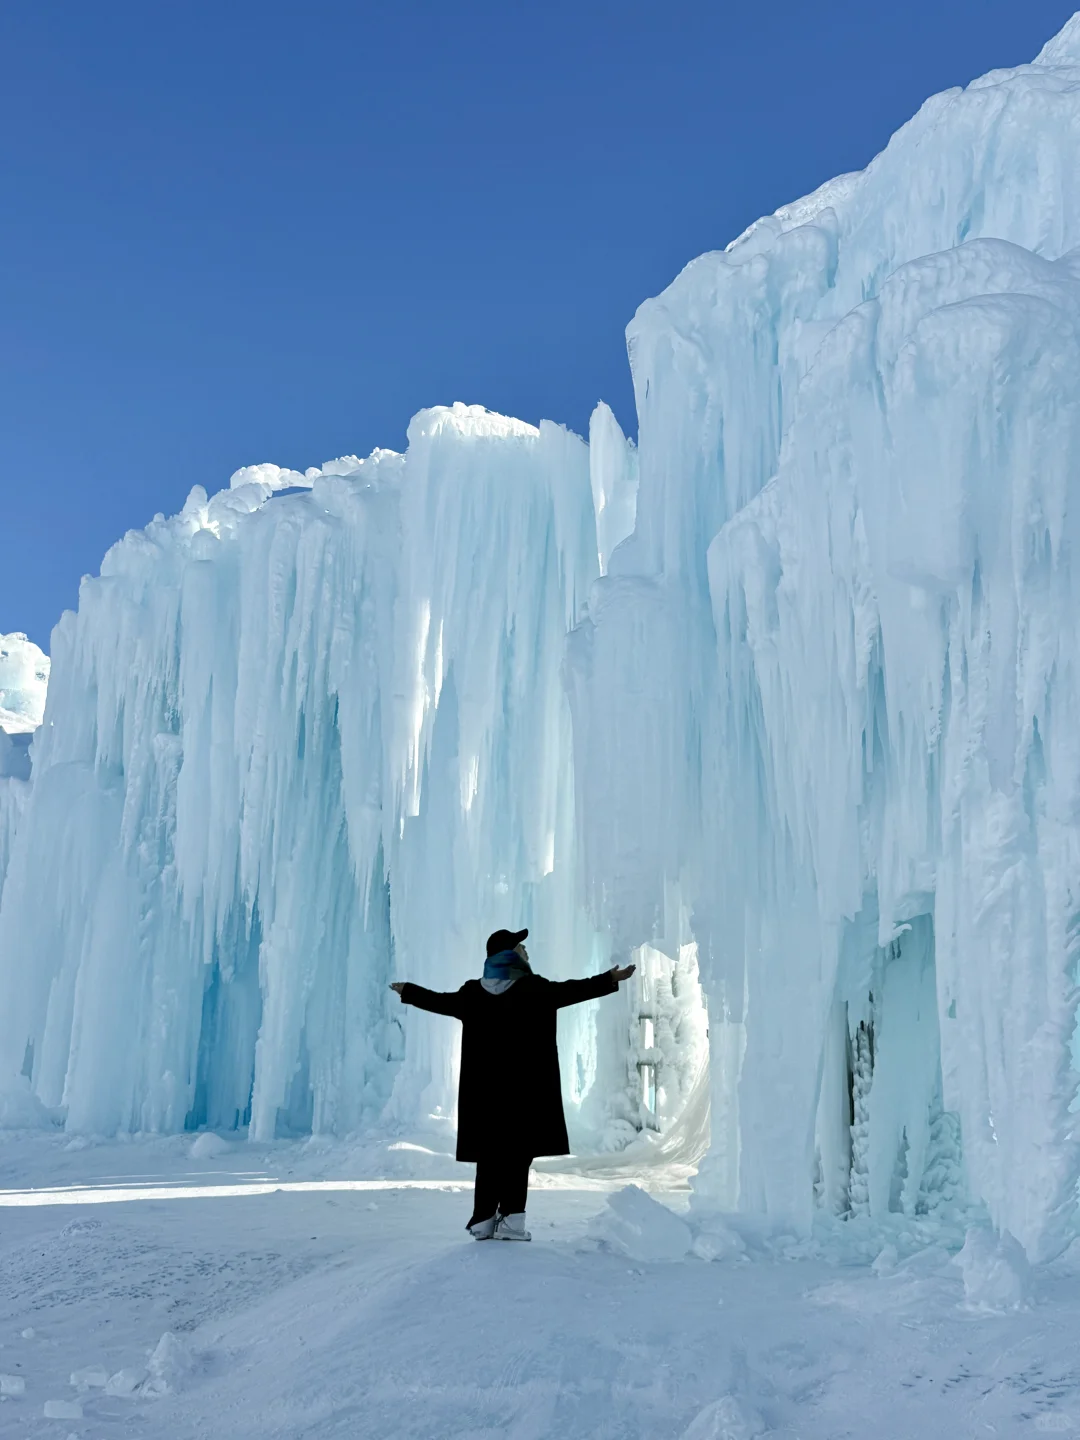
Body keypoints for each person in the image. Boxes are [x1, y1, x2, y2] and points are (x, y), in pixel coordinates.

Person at [391, 927, 635, 1241]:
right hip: (525, 1091)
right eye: (521, 948)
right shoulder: (534, 990)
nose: (527, 952)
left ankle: (482, 1220)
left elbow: (440, 1002)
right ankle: (511, 1220)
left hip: (484, 1094)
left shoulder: (472, 994)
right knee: (518, 1154)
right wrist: (609, 979)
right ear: (509, 954)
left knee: (489, 1154)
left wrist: (408, 991)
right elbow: (572, 991)